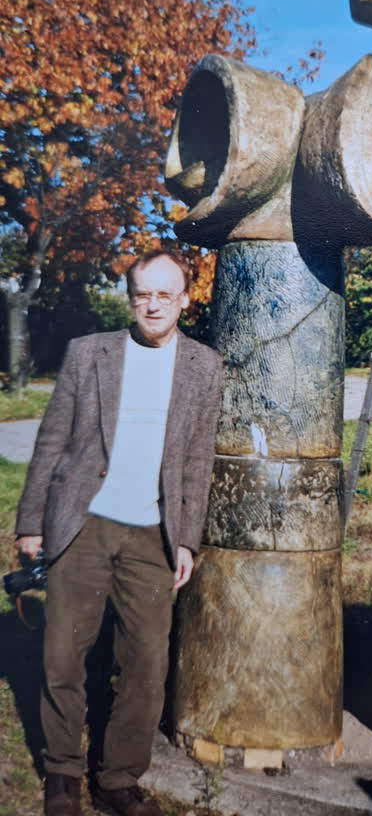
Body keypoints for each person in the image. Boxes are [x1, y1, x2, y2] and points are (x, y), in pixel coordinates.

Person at [14, 249, 223, 816]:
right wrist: (31, 522)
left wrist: (187, 538)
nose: (152, 305)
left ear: (185, 299)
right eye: (142, 294)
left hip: (154, 534)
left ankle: (118, 779)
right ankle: (62, 773)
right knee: (63, 654)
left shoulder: (205, 366)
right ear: (130, 298)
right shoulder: (89, 353)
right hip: (82, 525)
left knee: (146, 664)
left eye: (164, 294)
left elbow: (198, 459)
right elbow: (52, 440)